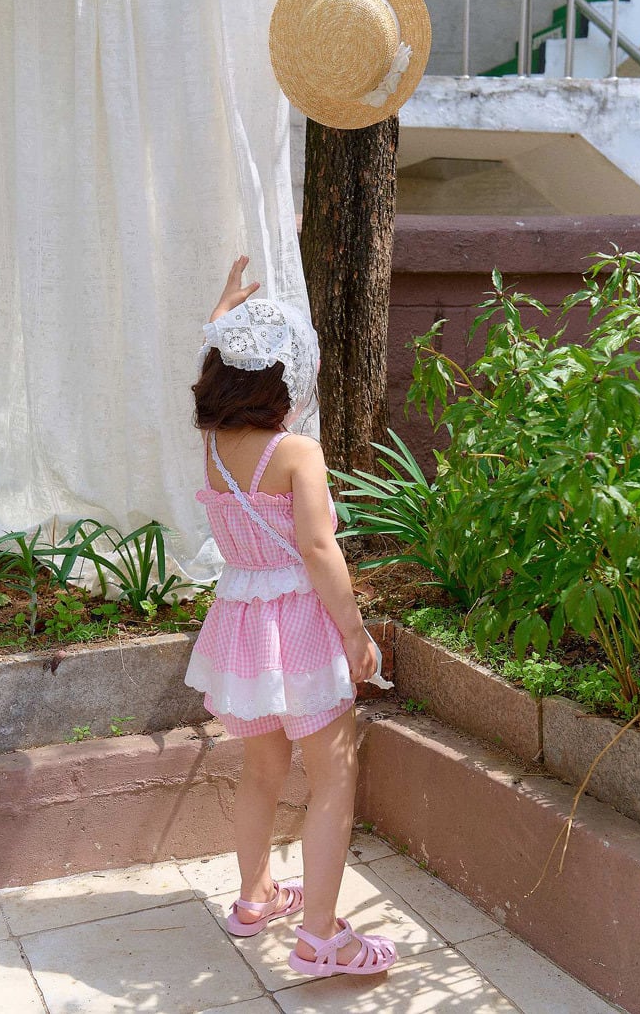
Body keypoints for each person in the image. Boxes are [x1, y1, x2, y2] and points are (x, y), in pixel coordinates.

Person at [185, 257, 397, 978]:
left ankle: (255, 899)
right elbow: (316, 547)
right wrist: (355, 632)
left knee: (261, 770)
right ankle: (320, 938)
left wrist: (220, 318)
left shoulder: (214, 447)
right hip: (300, 627)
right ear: (288, 379)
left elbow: (222, 355)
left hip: (242, 628)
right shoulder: (297, 452)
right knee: (334, 773)